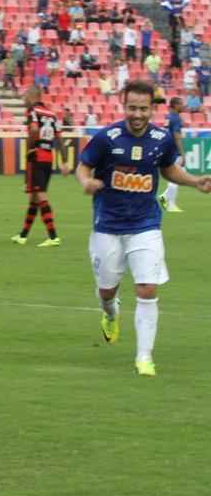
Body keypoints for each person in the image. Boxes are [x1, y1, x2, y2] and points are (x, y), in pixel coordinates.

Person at [75, 80, 211, 376]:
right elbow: (83, 166)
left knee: (148, 287)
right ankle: (110, 313)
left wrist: (195, 181)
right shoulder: (107, 138)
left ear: (152, 109)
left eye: (143, 109)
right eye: (132, 108)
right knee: (106, 291)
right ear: (124, 106)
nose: (138, 114)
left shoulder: (161, 139)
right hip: (108, 226)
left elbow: (168, 169)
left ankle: (144, 357)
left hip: (145, 224)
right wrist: (86, 182)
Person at [12, 86, 68, 246]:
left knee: (40, 195)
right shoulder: (52, 114)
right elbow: (60, 140)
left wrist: (30, 149)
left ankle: (53, 236)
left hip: (36, 156)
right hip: (49, 157)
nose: (24, 99)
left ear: (31, 96)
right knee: (34, 197)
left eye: (25, 96)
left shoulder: (32, 112)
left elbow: (34, 130)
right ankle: (23, 235)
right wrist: (64, 161)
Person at [159, 97, 185, 213]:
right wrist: (182, 154)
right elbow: (177, 136)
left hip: (167, 150)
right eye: (181, 104)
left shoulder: (168, 117)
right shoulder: (176, 118)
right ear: (175, 105)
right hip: (173, 152)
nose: (183, 106)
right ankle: (171, 205)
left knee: (177, 177)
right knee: (176, 177)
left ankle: (164, 197)